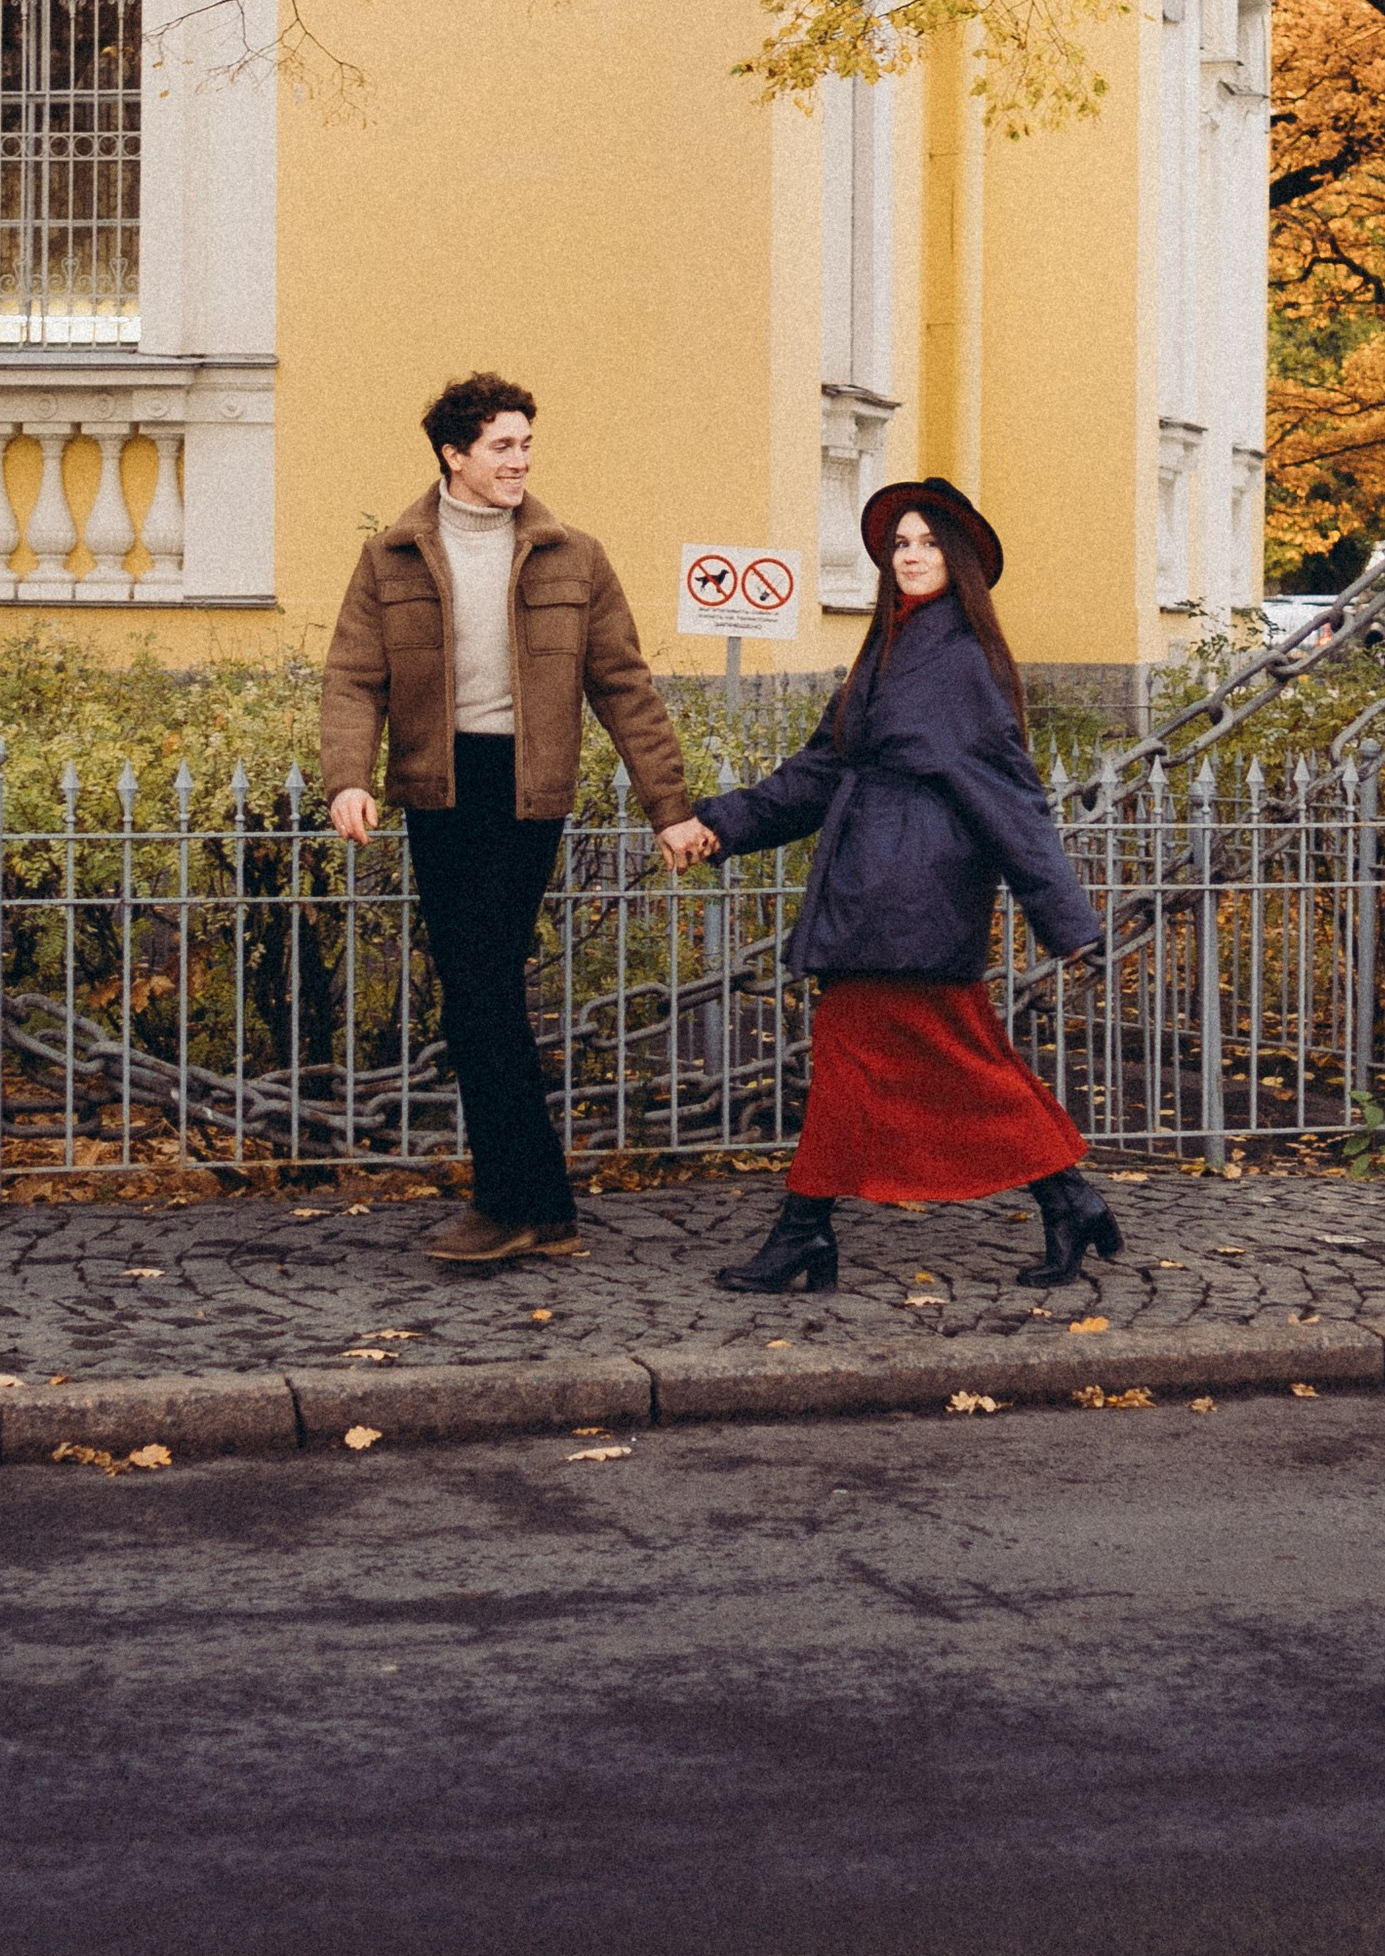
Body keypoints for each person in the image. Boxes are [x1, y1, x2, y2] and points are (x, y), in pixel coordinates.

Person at [657, 477, 1119, 1296]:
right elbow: (819, 771)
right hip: (875, 885)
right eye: (901, 543)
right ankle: (1056, 1200)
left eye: (929, 543)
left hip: (914, 892)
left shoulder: (959, 661)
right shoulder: (891, 647)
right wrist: (719, 823)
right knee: (891, 1066)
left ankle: (809, 1234)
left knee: (929, 1063)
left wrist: (1066, 916)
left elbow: (1009, 794)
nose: (910, 556)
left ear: (961, 560)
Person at [322, 372, 693, 1268]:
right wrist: (349, 779)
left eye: (526, 444)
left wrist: (669, 808)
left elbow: (624, 688)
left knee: (482, 989)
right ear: (455, 455)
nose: (520, 460)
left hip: (526, 790)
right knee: (476, 995)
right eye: (502, 446)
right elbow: (352, 676)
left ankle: (514, 1202)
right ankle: (535, 1203)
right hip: (438, 787)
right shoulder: (393, 556)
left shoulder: (575, 556)